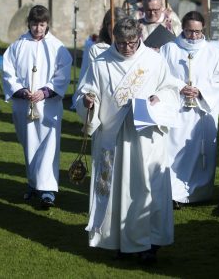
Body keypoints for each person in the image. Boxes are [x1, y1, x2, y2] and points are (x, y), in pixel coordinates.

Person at [75, 17, 179, 263]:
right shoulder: (100, 63)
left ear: (139, 37)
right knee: (117, 190)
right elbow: (86, 91)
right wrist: (88, 101)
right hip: (113, 138)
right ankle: (120, 240)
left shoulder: (153, 61)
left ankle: (150, 242)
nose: (128, 48)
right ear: (114, 39)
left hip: (146, 137)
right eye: (122, 44)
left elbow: (170, 89)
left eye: (132, 42)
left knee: (147, 187)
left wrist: (157, 100)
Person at [3, 5, 72, 208]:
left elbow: (63, 73)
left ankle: (48, 189)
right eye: (34, 24)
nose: (38, 29)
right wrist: (21, 90)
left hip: (48, 106)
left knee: (49, 145)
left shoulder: (57, 47)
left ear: (47, 24)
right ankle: (34, 184)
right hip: (24, 104)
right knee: (29, 145)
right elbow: (8, 73)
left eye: (42, 24)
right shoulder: (18, 46)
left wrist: (45, 91)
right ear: (29, 24)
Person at [160, 11, 219, 206]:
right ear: (183, 29)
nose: (193, 36)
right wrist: (180, 87)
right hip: (177, 108)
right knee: (174, 149)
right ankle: (173, 192)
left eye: (197, 32)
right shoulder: (169, 49)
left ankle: (198, 192)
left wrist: (201, 91)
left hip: (202, 111)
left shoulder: (214, 52)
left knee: (200, 151)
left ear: (203, 29)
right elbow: (161, 75)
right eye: (189, 31)